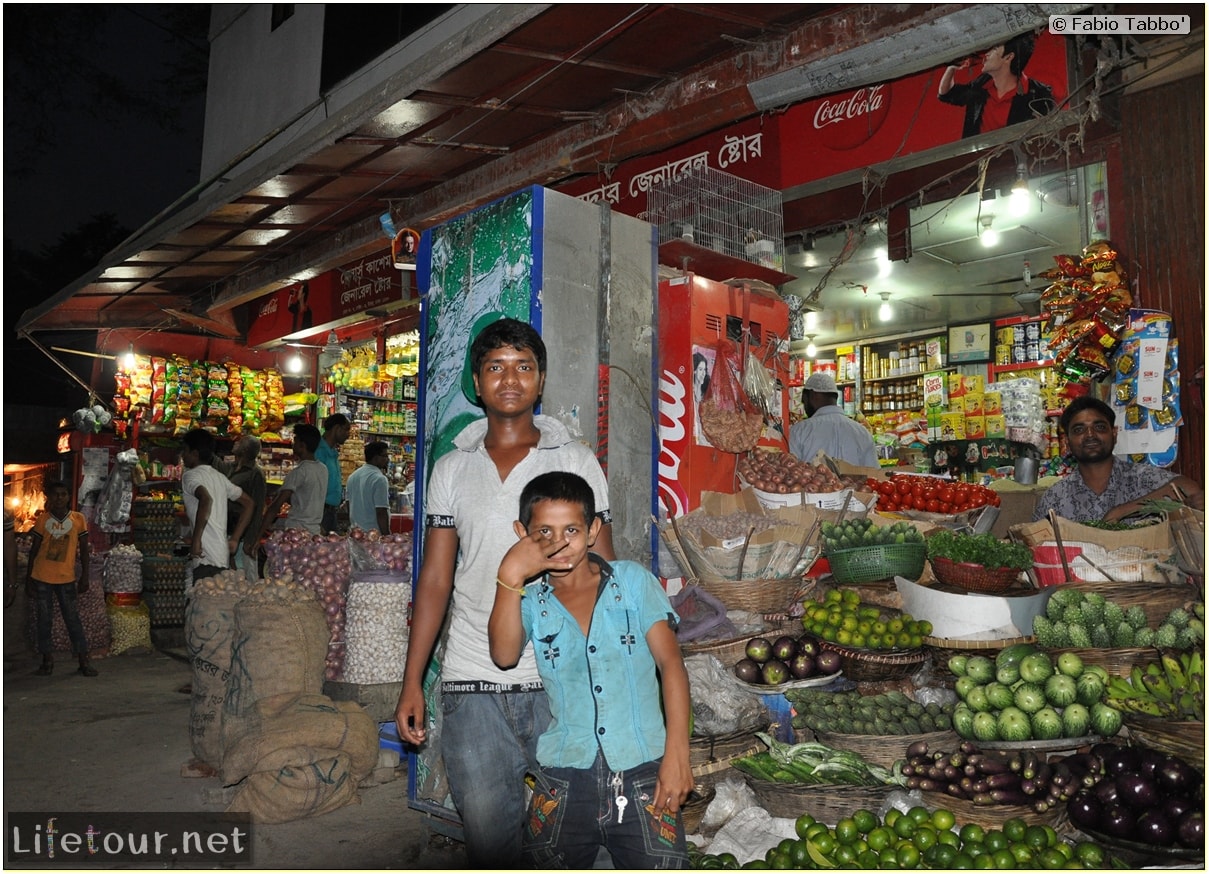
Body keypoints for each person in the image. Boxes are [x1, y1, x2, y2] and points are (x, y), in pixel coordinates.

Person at [394, 317, 615, 868]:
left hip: (562, 682)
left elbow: (605, 571)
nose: (510, 379)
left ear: (540, 381)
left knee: (571, 844)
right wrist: (412, 680)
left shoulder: (576, 462)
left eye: (523, 367)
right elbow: (436, 580)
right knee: (491, 847)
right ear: (477, 380)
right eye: (495, 367)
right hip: (472, 683)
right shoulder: (451, 468)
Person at [489, 471, 691, 868]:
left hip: (645, 773)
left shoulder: (632, 582)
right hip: (563, 781)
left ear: (594, 529)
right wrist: (509, 575)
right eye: (544, 531)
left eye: (572, 530)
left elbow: (672, 665)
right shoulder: (531, 601)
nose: (559, 543)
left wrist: (678, 754)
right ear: (522, 533)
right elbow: (504, 653)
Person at [1033, 396, 1203, 523]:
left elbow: (1188, 488)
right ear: (1067, 442)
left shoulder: (1139, 478)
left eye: (1099, 427)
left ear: (1114, 434)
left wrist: (1122, 511)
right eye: (1079, 430)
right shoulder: (1055, 498)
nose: (1090, 435)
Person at [26, 480, 96, 677]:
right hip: (41, 576)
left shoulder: (78, 519)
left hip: (66, 578)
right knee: (44, 620)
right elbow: (34, 550)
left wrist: (85, 576)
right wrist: (29, 579)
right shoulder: (42, 520)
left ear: (68, 497)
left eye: (63, 494)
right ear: (49, 497)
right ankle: (47, 661)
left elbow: (83, 550)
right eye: (55, 494)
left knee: (73, 619)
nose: (59, 498)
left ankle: (83, 660)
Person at [938, 33, 1055, 139]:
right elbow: (947, 94)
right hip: (977, 158)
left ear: (1008, 57)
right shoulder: (982, 84)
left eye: (994, 49)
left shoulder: (1038, 94)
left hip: (1013, 159)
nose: (987, 54)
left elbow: (1046, 136)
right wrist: (952, 67)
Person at [180, 429, 255, 584]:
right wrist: (235, 539)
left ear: (194, 453)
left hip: (205, 557)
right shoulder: (219, 477)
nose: (182, 455)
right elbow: (249, 503)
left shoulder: (190, 476)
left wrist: (196, 540)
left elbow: (206, 499)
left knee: (203, 604)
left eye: (184, 451)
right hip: (221, 556)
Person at [789, 372, 878, 468]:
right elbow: (873, 473)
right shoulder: (862, 432)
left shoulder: (799, 430)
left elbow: (792, 471)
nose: (805, 406)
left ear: (813, 396)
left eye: (804, 401)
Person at [257, 424, 328, 538]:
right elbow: (307, 497)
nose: (292, 444)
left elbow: (275, 506)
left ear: (302, 445)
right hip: (314, 531)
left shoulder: (298, 472)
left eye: (295, 441)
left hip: (296, 533)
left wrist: (258, 535)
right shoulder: (323, 469)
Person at [225, 435, 266, 581]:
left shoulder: (255, 474)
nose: (236, 442)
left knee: (245, 578)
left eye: (240, 441)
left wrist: (251, 539)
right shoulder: (232, 468)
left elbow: (258, 507)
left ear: (246, 449)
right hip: (229, 530)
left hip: (243, 535)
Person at [316, 413, 351, 533]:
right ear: (336, 428)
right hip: (321, 512)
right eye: (346, 430)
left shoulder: (333, 453)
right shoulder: (320, 452)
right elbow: (314, 486)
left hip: (331, 512)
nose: (348, 434)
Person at [347, 440, 391, 535]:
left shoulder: (352, 476)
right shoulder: (380, 479)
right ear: (375, 457)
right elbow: (381, 512)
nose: (387, 459)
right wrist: (387, 536)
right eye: (385, 456)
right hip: (373, 536)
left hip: (355, 534)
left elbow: (348, 505)